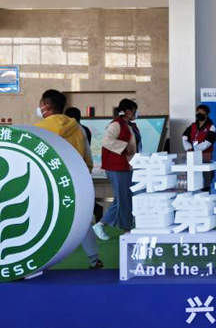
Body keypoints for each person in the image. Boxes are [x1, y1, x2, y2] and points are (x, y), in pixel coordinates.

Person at [34, 91, 103, 269]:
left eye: (40, 105)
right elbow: (88, 157)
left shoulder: (39, 129)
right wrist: (83, 176)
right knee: (81, 220)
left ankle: (37, 262)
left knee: (43, 221)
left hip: (48, 182)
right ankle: (94, 259)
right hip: (76, 180)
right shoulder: (78, 128)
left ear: (46, 107)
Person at [92, 99, 138, 239]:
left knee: (122, 198)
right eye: (134, 111)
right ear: (128, 111)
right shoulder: (116, 124)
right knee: (124, 199)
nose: (136, 114)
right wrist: (126, 148)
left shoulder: (128, 125)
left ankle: (102, 224)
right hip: (117, 167)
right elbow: (106, 141)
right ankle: (126, 229)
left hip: (125, 166)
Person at [65, 107, 104, 223]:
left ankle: (93, 210)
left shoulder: (71, 130)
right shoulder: (85, 129)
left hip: (73, 166)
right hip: (82, 165)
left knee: (77, 194)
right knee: (82, 193)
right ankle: (94, 209)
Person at [183, 104, 216, 190]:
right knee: (192, 178)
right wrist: (188, 148)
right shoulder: (192, 126)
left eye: (201, 112)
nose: (199, 114)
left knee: (207, 180)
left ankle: (206, 193)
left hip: (206, 157)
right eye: (198, 112)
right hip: (192, 157)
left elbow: (208, 142)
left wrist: (195, 150)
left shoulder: (211, 127)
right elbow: (184, 137)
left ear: (207, 114)